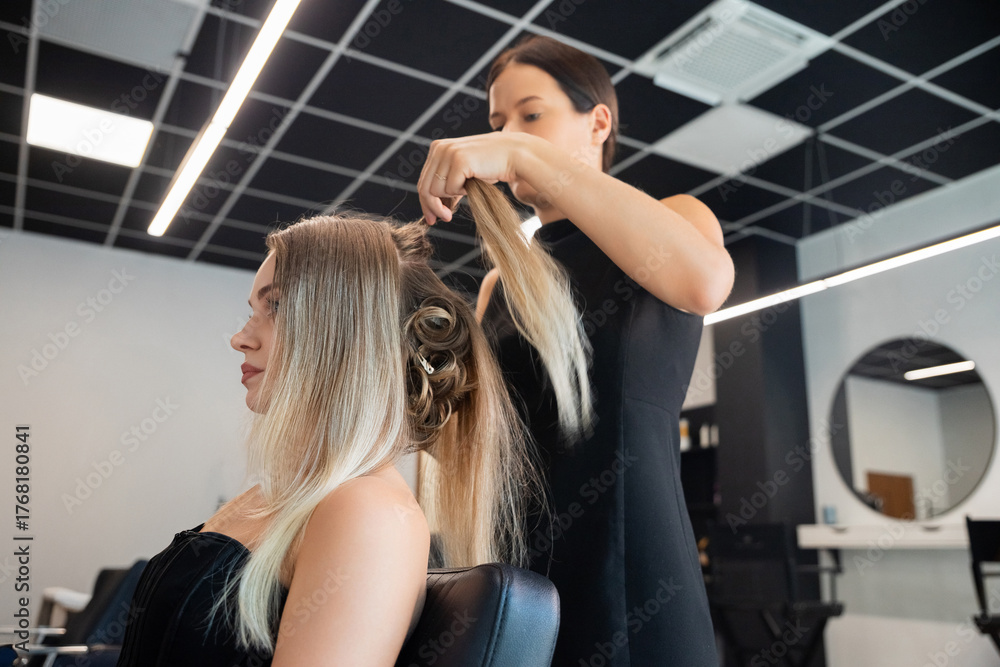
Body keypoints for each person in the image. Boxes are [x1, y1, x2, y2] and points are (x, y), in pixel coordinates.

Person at [114, 180, 593, 666]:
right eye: (252, 310)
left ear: (351, 332)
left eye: (274, 306)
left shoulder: (369, 513)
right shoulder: (290, 494)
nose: (240, 337)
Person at [417, 35, 735, 666]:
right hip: (523, 573)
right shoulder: (499, 283)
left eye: (531, 115)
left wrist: (520, 152)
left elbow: (705, 283)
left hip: (632, 556)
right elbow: (472, 432)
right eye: (499, 122)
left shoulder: (677, 216)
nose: (511, 133)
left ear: (599, 121)